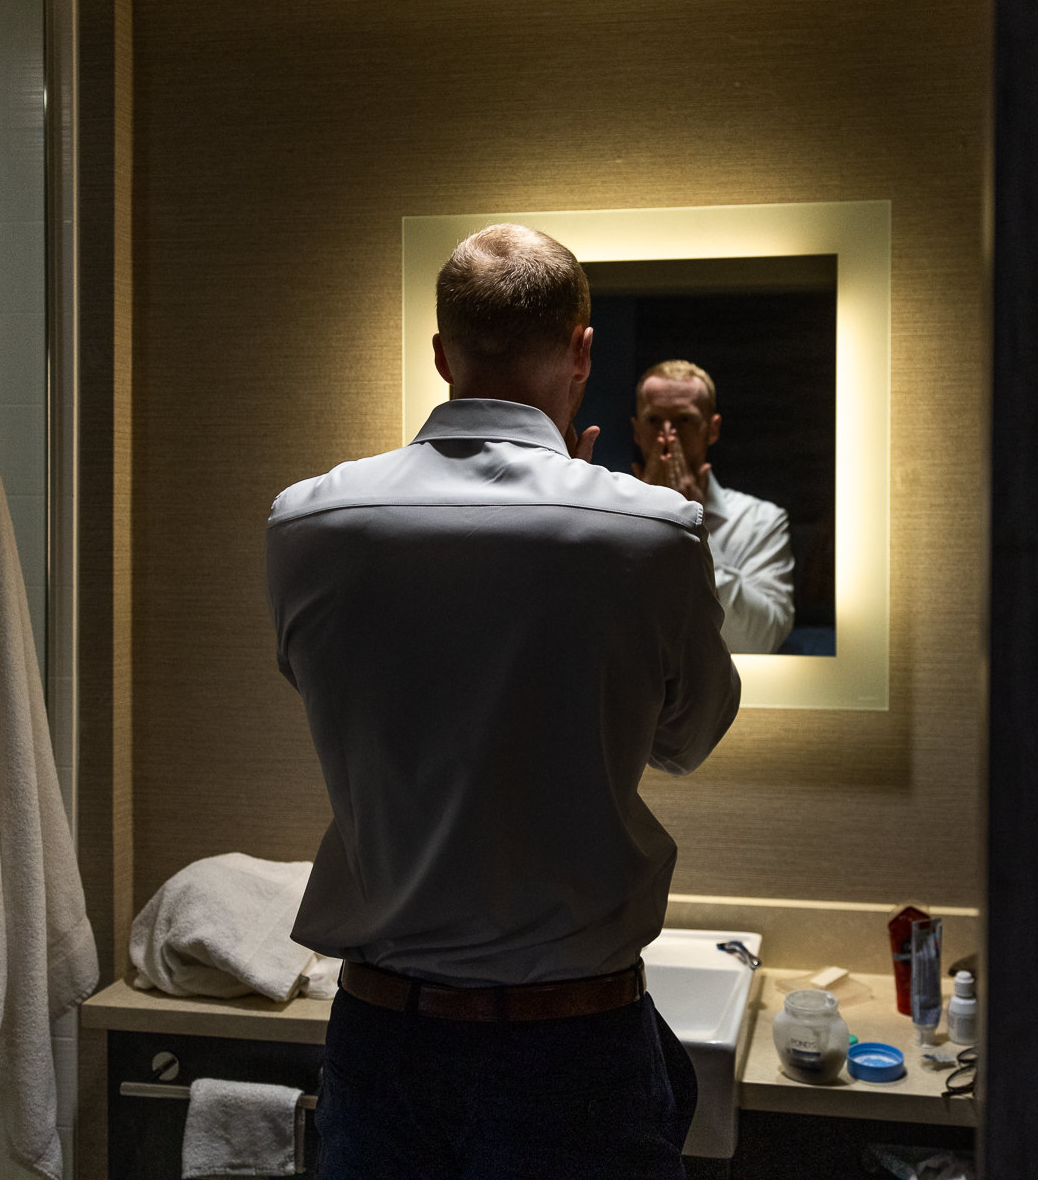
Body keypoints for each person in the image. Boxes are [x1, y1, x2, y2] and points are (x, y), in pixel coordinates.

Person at [265, 223, 740, 1180]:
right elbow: (685, 742)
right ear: (582, 349)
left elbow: (344, 696)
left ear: (441, 354)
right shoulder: (652, 532)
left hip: (381, 1041)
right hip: (575, 1050)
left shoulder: (308, 523)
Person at [632, 360, 797, 654]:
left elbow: (759, 643)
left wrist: (692, 528)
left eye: (684, 420)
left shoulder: (760, 520)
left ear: (712, 429)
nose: (667, 436)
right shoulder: (607, 510)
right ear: (637, 431)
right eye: (654, 420)